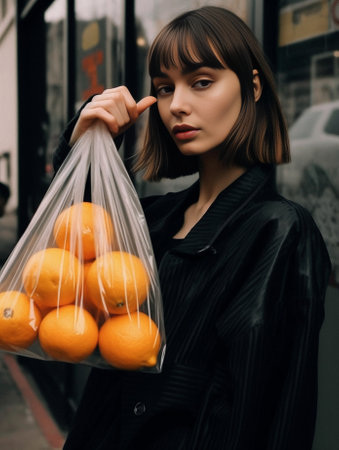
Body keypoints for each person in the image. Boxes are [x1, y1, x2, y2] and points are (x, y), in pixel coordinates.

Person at [53, 7, 331, 450]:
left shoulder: (280, 232)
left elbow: (275, 416)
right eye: (164, 89)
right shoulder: (155, 218)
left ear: (252, 86)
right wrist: (88, 142)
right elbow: (67, 251)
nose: (176, 104)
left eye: (201, 82)